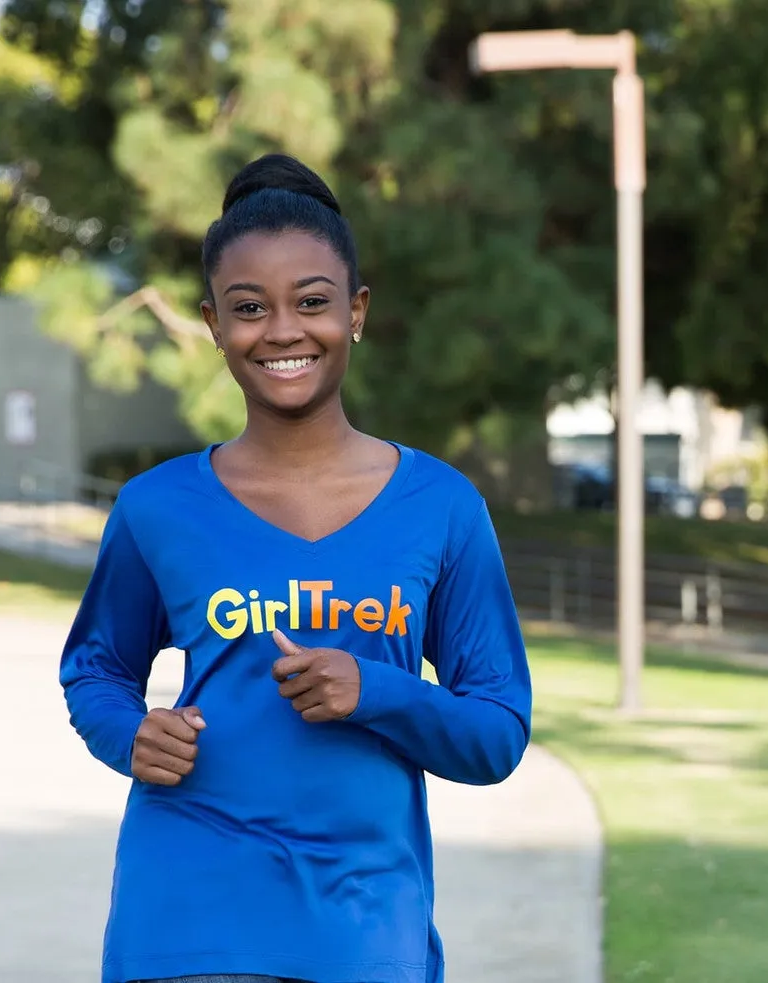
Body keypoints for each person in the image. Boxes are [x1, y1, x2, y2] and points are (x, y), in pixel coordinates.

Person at [58, 153, 534, 983]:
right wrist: (128, 731)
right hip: (187, 925)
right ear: (213, 323)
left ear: (355, 312)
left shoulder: (442, 507)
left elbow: (496, 732)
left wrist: (376, 690)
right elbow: (95, 667)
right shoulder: (156, 507)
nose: (281, 330)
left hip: (363, 932)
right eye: (249, 308)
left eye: (311, 302)